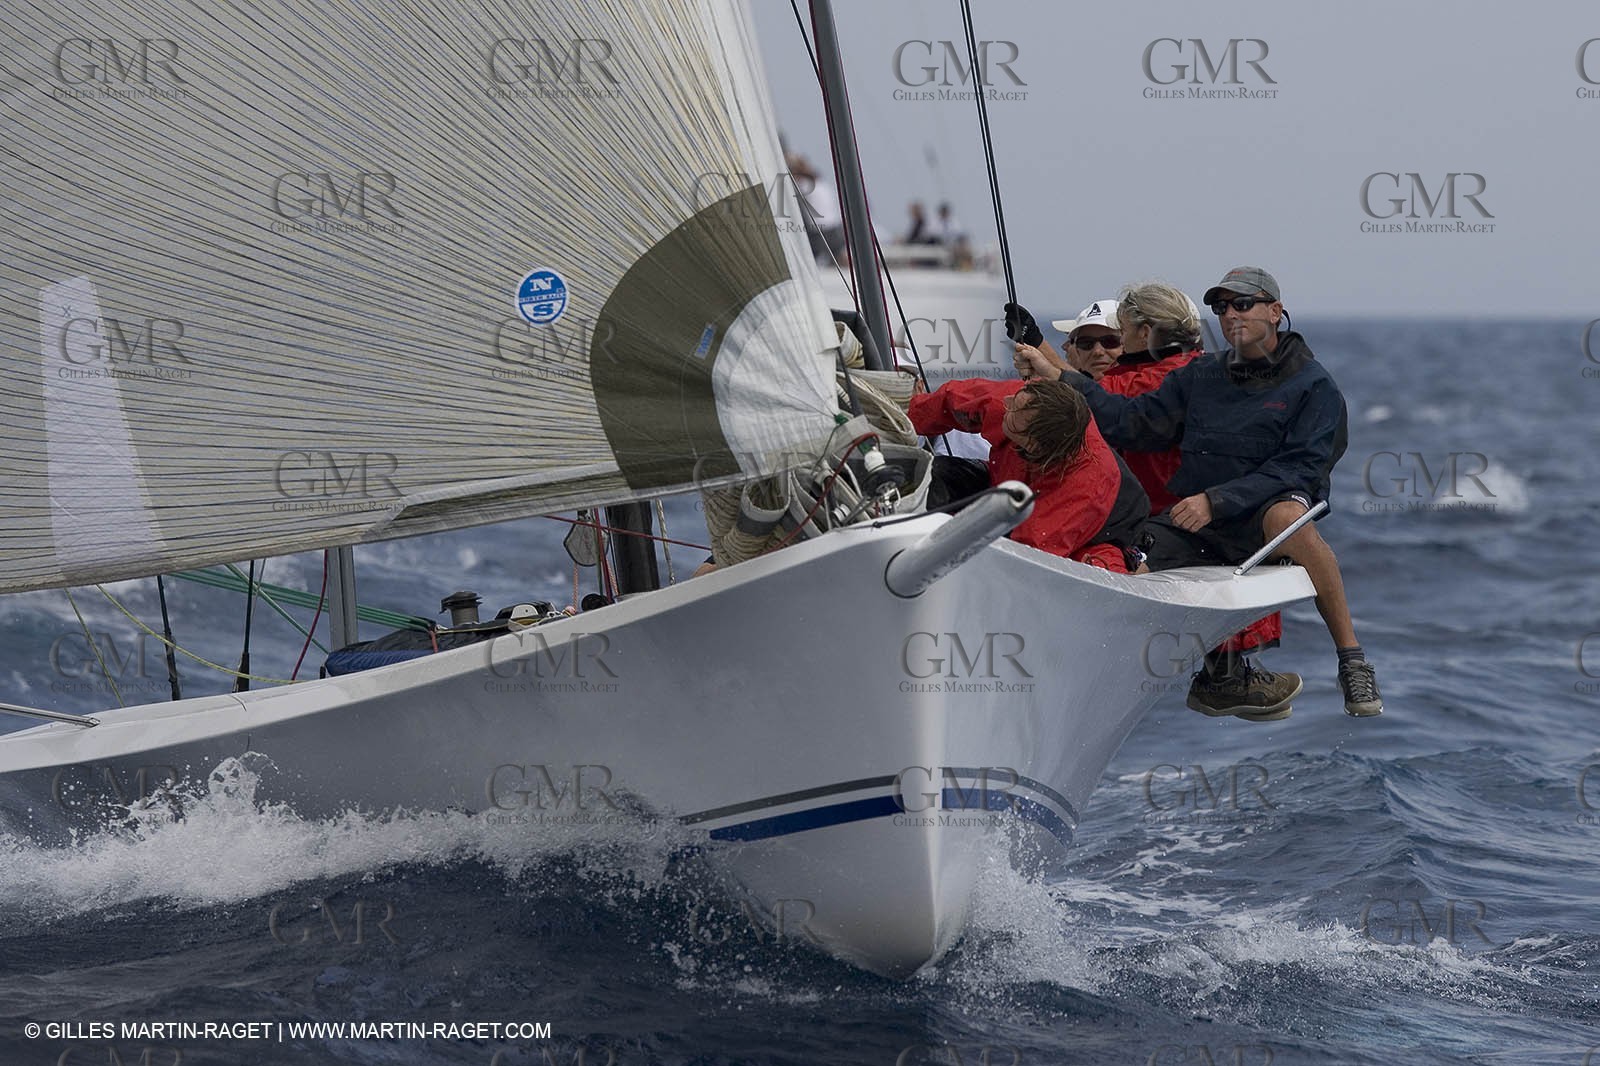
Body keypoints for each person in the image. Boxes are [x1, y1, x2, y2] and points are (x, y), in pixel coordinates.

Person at [1013, 267, 1381, 721]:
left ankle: (1352, 661)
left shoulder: (1314, 385)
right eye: (1221, 307)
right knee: (1124, 557)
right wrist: (1057, 376)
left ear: (1275, 311)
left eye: (1242, 304)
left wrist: (1217, 501)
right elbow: (1131, 421)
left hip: (1262, 521)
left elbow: (1301, 468)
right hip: (1197, 525)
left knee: (1286, 517)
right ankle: (1079, 675)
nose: (1230, 314)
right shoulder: (1201, 374)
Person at [909, 377, 1148, 570]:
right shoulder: (1023, 403)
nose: (1005, 403)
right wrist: (904, 425)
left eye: (1013, 417)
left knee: (1088, 568)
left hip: (1098, 529)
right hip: (1010, 482)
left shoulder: (1086, 484)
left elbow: (1029, 554)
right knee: (932, 475)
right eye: (1014, 400)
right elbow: (949, 401)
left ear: (1033, 445)